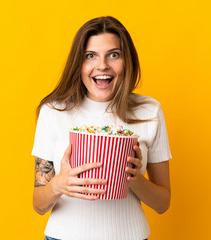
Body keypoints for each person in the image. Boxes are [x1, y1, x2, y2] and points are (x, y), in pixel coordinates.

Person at [32, 16, 172, 240]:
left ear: (127, 61)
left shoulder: (150, 111)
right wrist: (57, 185)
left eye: (113, 55)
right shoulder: (53, 112)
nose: (102, 65)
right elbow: (38, 205)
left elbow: (163, 203)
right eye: (90, 56)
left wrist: (135, 179)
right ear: (79, 64)